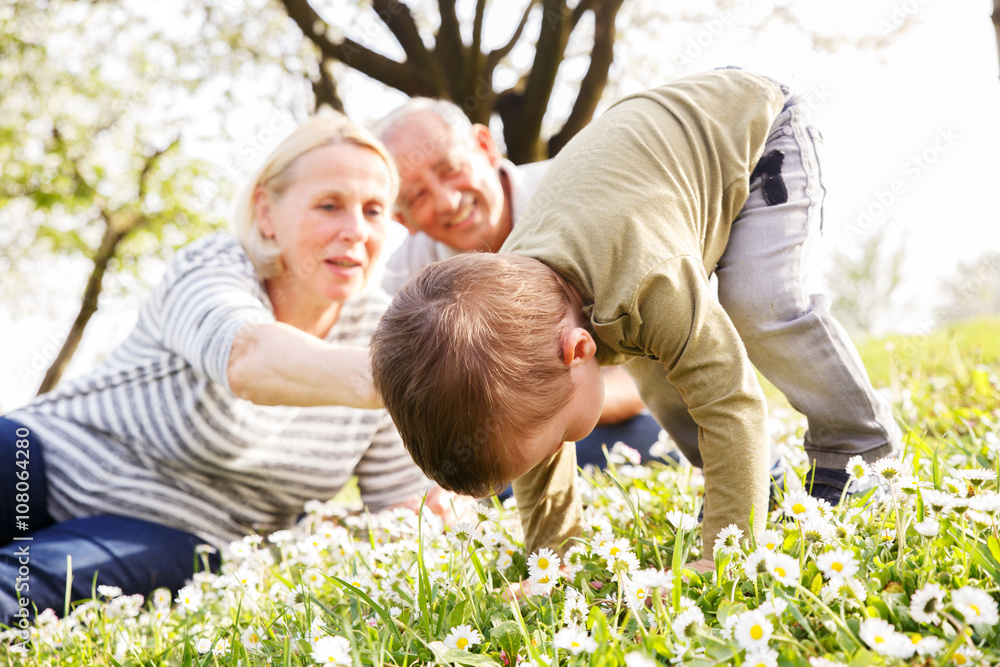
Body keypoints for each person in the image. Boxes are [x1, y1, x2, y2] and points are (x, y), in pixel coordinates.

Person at [370, 69, 901, 563]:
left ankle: (856, 447)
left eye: (558, 439)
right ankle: (763, 485)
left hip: (749, 134)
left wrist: (724, 554)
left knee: (758, 307)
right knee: (664, 377)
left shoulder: (650, 283)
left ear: (580, 351)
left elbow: (731, 399)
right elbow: (529, 429)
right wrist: (557, 561)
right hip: (639, 196)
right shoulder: (524, 308)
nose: (557, 449)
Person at [0, 113, 452, 629]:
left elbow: (399, 504)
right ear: (266, 213)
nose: (354, 231)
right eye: (329, 205)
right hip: (41, 457)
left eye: (373, 211)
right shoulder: (216, 267)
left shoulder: (385, 334)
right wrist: (403, 377)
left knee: (19, 586)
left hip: (175, 531)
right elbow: (248, 357)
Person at [373, 98, 669, 475]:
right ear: (403, 218)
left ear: (485, 147)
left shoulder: (582, 198)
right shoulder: (404, 281)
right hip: (505, 448)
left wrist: (534, 413)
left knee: (651, 438)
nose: (447, 201)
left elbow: (659, 360)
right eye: (417, 195)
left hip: (620, 415)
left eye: (450, 168)